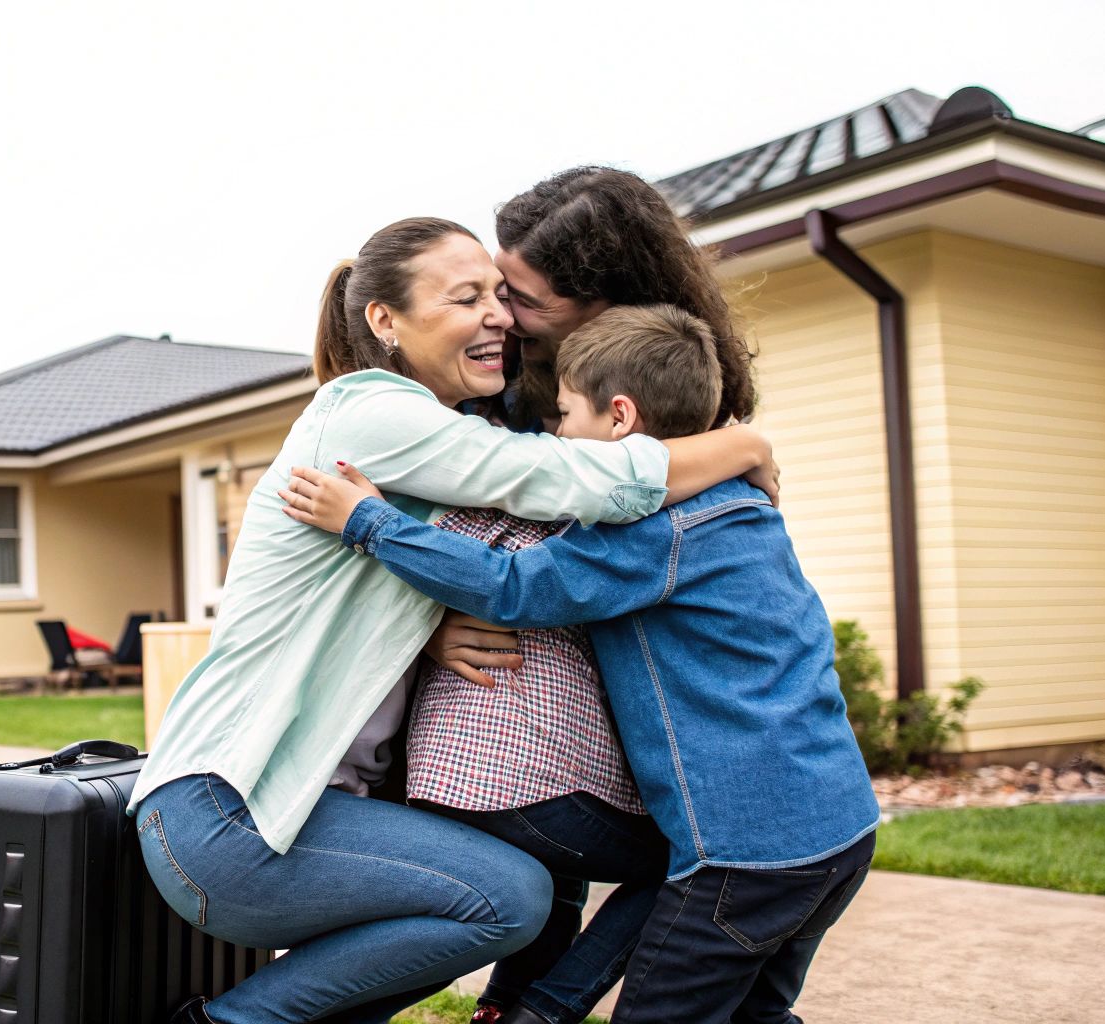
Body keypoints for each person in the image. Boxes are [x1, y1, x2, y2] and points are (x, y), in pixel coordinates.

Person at [126, 216, 776, 1024]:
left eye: (499, 295)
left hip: (270, 813)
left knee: (474, 901)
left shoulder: (430, 439)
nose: (498, 314)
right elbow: (566, 477)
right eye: (466, 297)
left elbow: (348, 599)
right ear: (385, 322)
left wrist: (424, 635)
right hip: (228, 813)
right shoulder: (371, 411)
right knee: (508, 895)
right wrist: (740, 447)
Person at [283, 303, 881, 1024]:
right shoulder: (742, 506)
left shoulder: (648, 530)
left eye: (565, 416)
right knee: (757, 1015)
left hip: (742, 855)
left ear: (621, 419)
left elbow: (514, 587)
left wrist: (368, 522)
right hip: (840, 830)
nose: (559, 435)